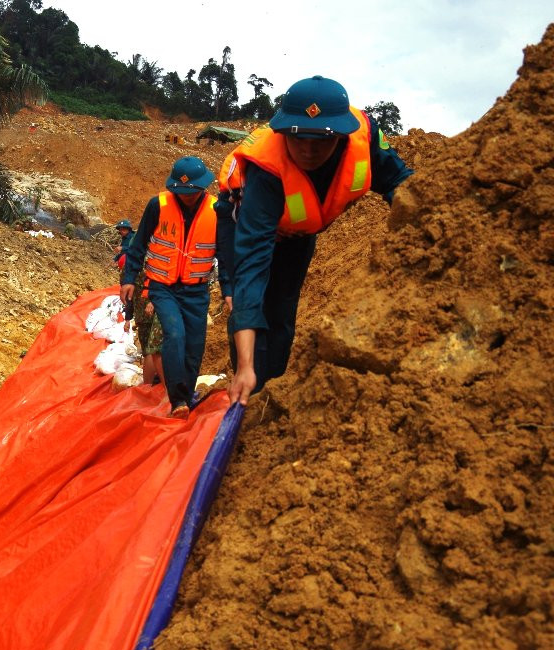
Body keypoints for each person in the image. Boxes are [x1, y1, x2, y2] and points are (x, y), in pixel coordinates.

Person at [217, 75, 413, 405]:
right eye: (298, 139)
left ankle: (270, 391)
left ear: (341, 134)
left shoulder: (364, 141)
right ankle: (248, 383)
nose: (308, 150)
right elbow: (251, 269)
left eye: (321, 140)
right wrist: (247, 367)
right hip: (243, 223)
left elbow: (403, 184)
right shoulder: (267, 172)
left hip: (298, 233)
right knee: (248, 300)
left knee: (282, 312)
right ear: (283, 133)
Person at [120, 155, 219, 419]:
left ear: (203, 188)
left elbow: (228, 255)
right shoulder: (158, 206)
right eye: (181, 192)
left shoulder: (216, 210)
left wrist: (232, 289)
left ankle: (186, 399)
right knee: (174, 335)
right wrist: (129, 279)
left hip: (196, 291)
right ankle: (177, 401)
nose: (186, 196)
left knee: (194, 345)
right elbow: (138, 244)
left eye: (192, 192)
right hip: (163, 288)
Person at [125, 272, 165, 387]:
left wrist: (128, 318)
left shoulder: (134, 270)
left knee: (150, 350)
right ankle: (150, 384)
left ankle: (149, 384)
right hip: (152, 311)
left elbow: (129, 297)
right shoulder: (149, 266)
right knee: (152, 350)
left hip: (143, 313)